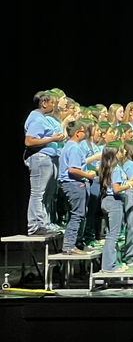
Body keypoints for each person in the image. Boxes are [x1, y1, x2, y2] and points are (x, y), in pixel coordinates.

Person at [24, 90, 65, 235]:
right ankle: (35, 226)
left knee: (46, 194)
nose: (53, 106)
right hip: (40, 158)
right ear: (44, 103)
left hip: (48, 158)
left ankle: (44, 223)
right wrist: (51, 139)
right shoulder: (36, 118)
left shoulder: (43, 118)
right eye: (51, 103)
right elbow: (29, 141)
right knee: (38, 193)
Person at [97, 143, 133, 272]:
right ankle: (109, 266)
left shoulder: (106, 167)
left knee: (111, 233)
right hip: (114, 202)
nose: (123, 152)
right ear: (116, 153)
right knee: (113, 235)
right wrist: (131, 184)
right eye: (121, 150)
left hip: (106, 201)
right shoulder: (116, 168)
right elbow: (117, 188)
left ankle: (114, 262)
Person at [58, 120, 94, 255]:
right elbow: (73, 169)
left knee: (80, 214)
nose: (85, 134)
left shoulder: (69, 146)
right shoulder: (74, 148)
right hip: (73, 184)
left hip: (72, 184)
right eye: (84, 131)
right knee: (77, 215)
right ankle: (69, 246)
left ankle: (77, 243)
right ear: (78, 133)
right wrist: (88, 175)